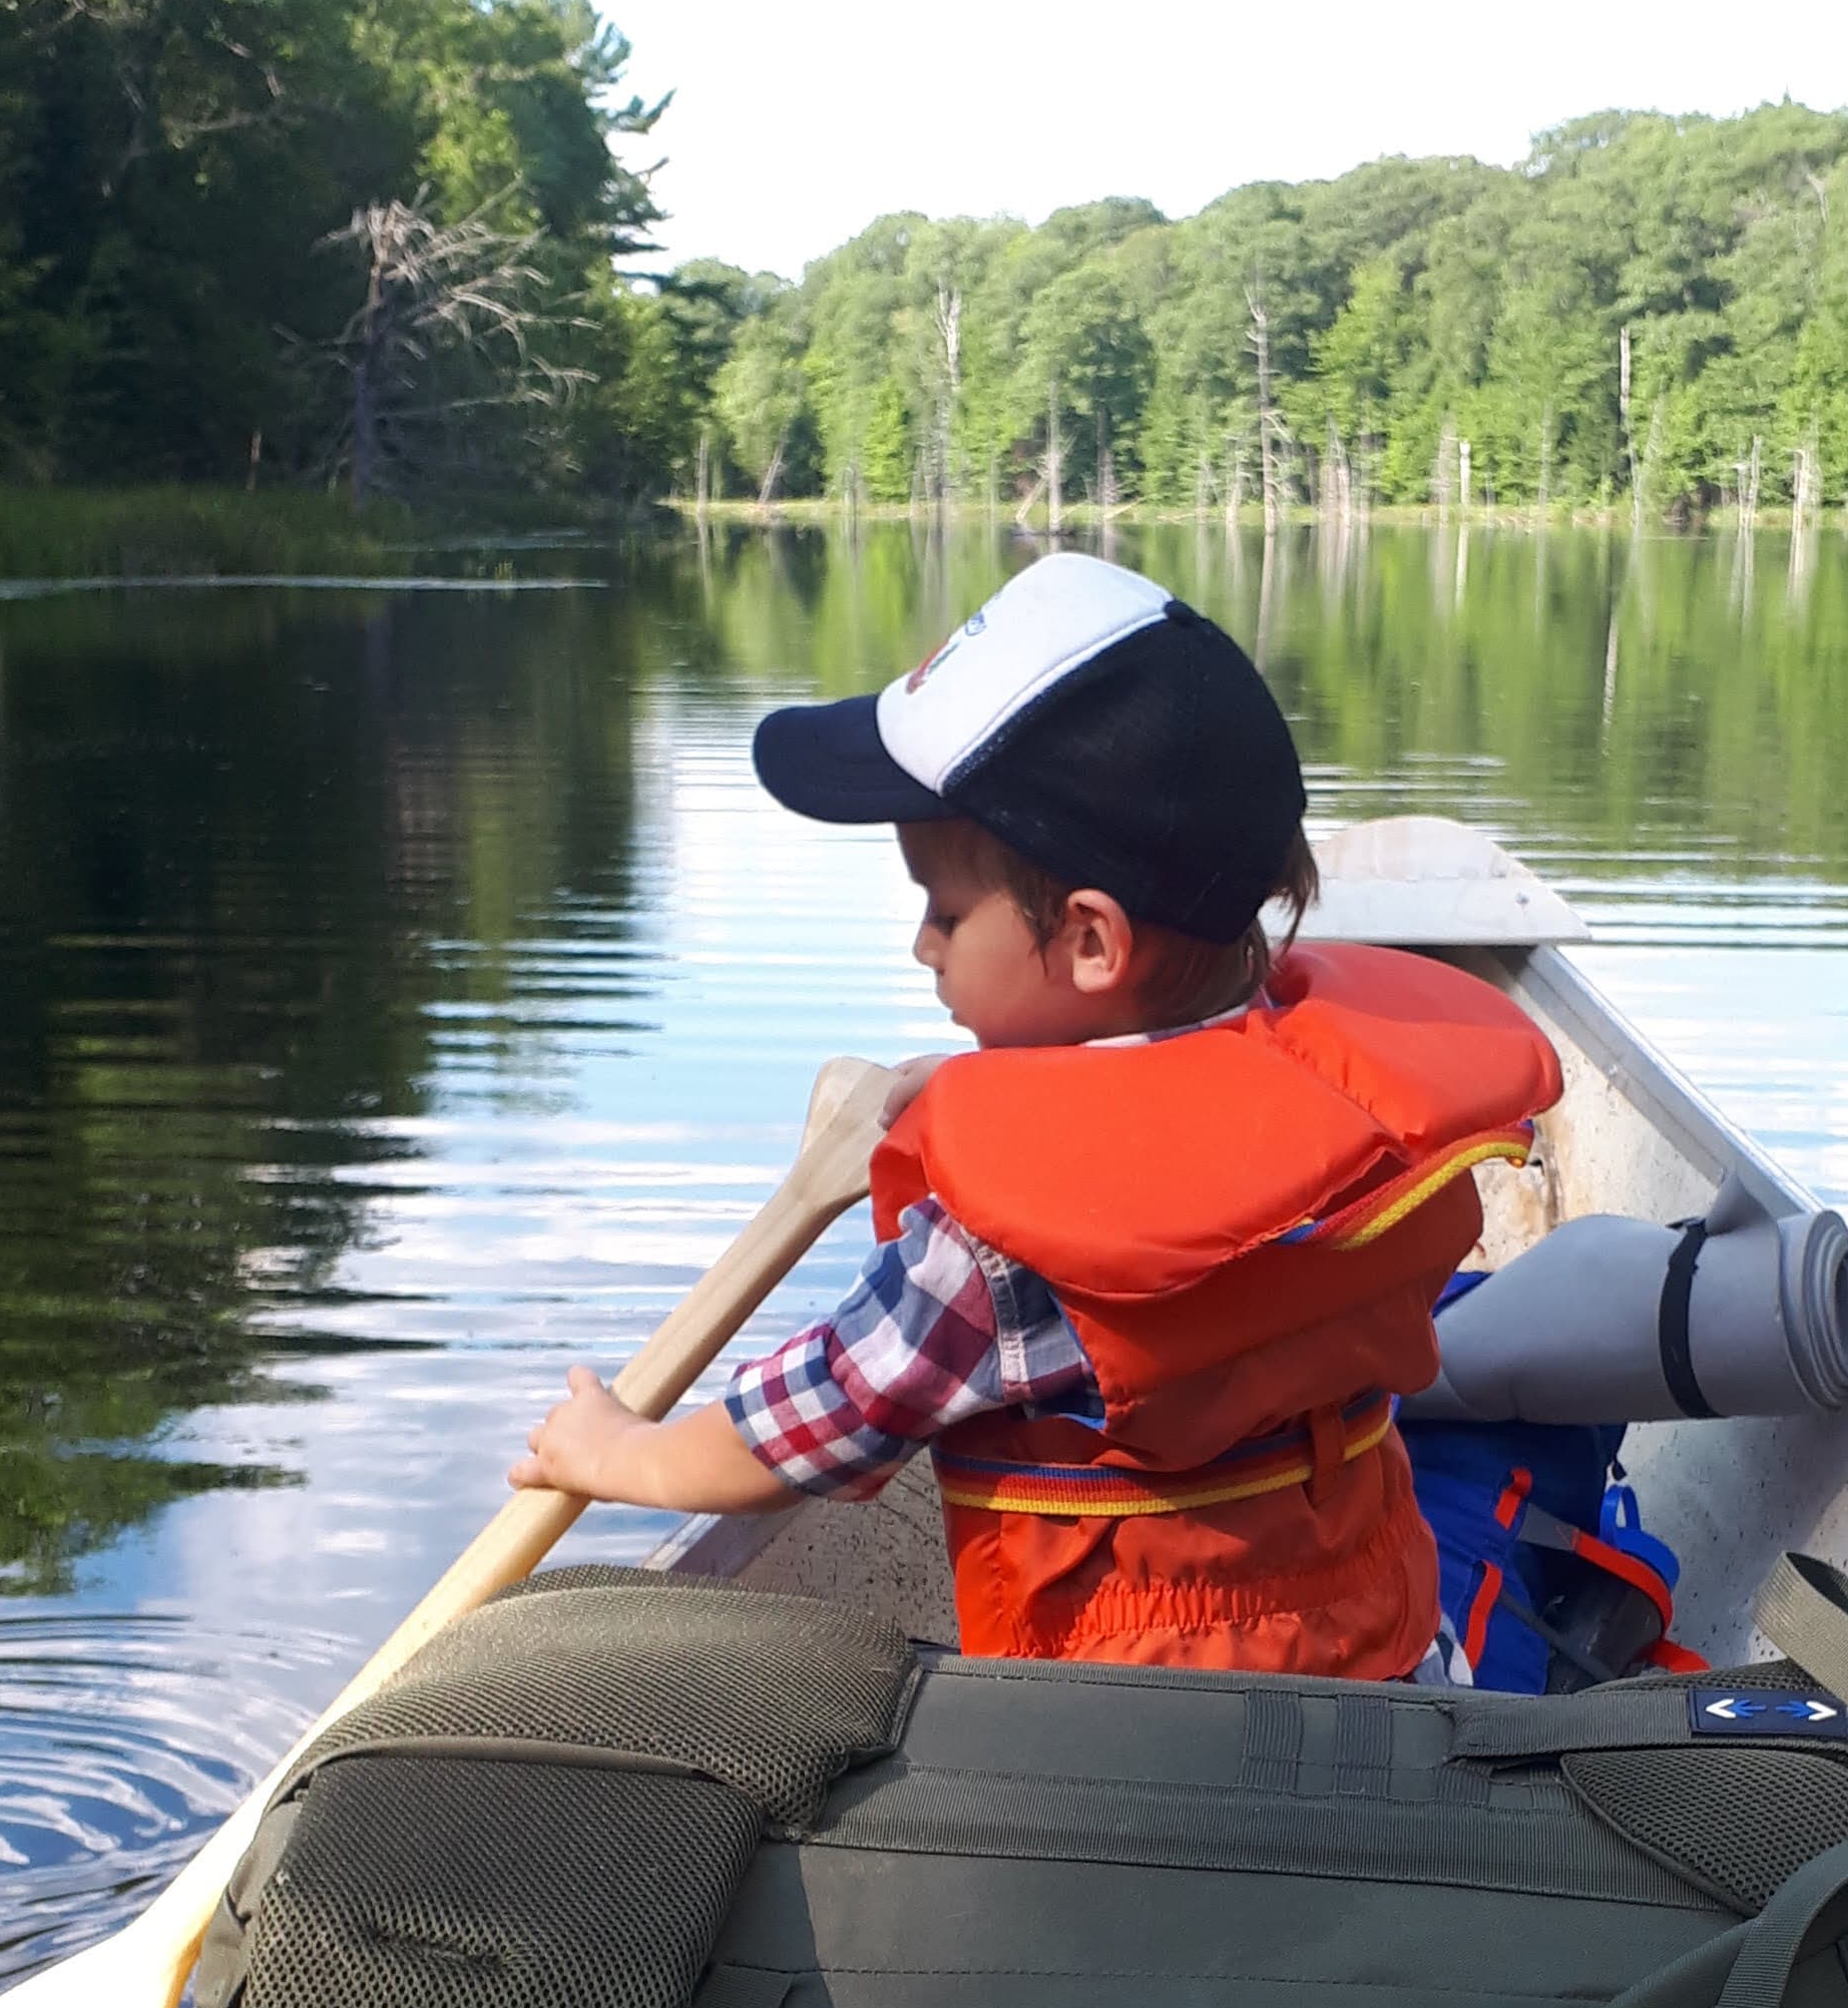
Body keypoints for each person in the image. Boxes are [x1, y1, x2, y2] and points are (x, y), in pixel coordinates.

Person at [514, 556, 1563, 1675]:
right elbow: (1178, 1106)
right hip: (1386, 1657)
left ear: (1093, 942)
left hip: (1127, 1749)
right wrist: (1003, 1092)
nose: (923, 945)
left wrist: (624, 1453)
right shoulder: (1363, 1127)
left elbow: (817, 1423)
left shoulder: (995, 1250)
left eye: (945, 911)